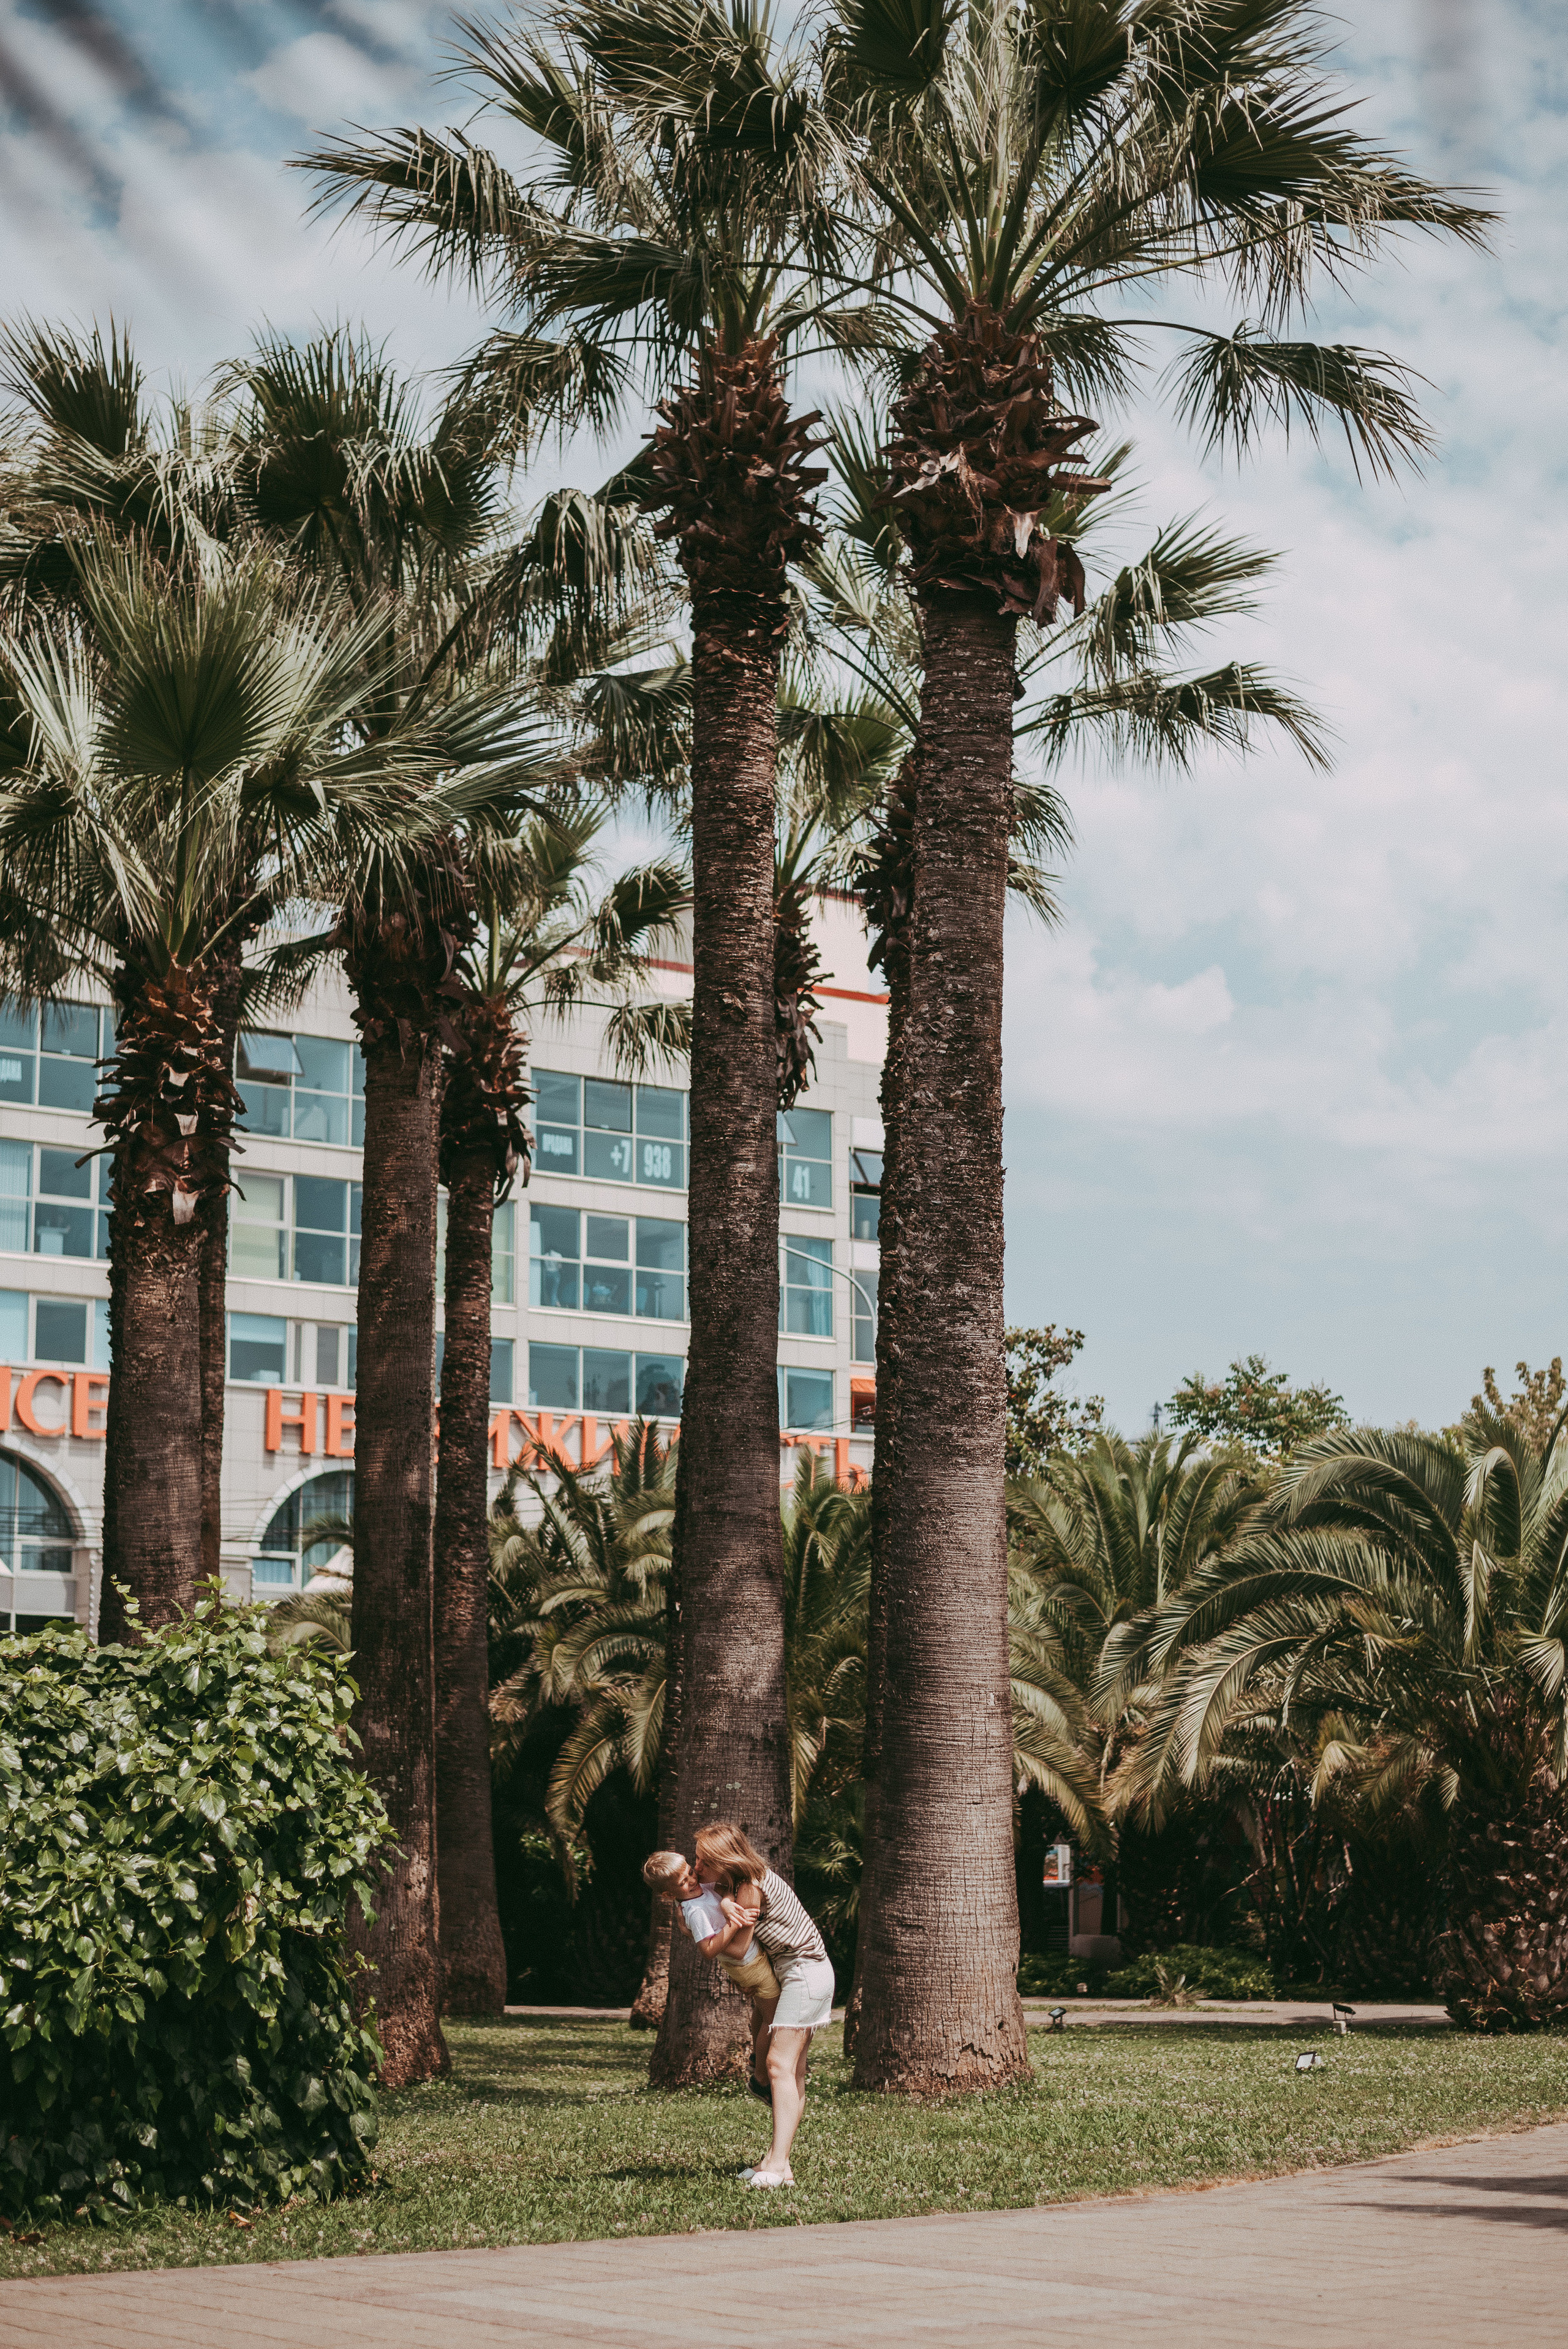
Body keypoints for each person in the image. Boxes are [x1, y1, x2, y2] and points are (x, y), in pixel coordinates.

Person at [693, 1820, 835, 2190]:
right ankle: (778, 2164)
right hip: (790, 1971)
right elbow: (700, 1895)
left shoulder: (751, 1887)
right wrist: (722, 1904)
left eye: (704, 1861)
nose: (697, 1868)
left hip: (805, 1972)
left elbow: (739, 1948)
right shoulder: (735, 1884)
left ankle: (777, 2163)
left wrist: (710, 1935)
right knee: (792, 2071)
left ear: (724, 1860)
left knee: (778, 2065)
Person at [642, 1849, 779, 2100]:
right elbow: (707, 1950)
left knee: (762, 2010)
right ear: (669, 1895)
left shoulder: (698, 1891)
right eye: (683, 1882)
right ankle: (760, 2079)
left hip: (750, 1961)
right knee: (773, 2020)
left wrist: (727, 1904)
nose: (692, 1880)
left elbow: (724, 1888)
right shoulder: (694, 1910)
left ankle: (755, 2057)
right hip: (749, 1964)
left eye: (690, 1872)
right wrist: (735, 1922)